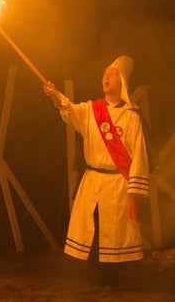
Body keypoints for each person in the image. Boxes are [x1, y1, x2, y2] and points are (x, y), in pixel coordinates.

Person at [43, 55, 149, 289]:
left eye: (110, 74)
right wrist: (55, 95)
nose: (105, 77)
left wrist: (135, 186)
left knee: (117, 233)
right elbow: (70, 110)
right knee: (95, 227)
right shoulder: (91, 110)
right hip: (93, 180)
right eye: (104, 74)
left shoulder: (132, 116)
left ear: (121, 81)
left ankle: (114, 276)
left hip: (118, 183)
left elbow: (140, 153)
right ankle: (99, 273)